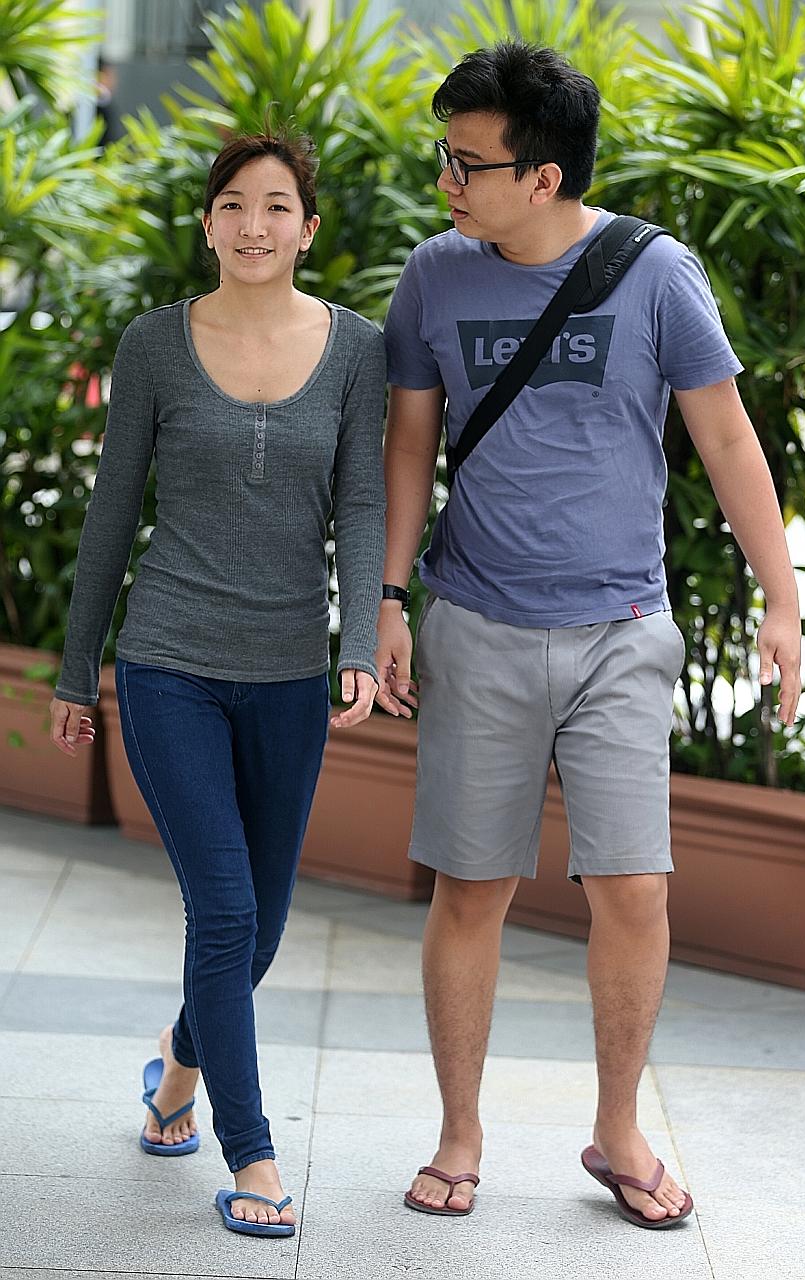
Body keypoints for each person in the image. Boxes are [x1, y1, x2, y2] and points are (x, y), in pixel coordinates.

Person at [377, 40, 802, 1229]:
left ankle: (616, 1130)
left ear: (546, 177)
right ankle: (461, 1131)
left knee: (635, 888)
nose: (448, 183)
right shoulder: (435, 276)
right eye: (445, 158)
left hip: (623, 627)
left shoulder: (657, 275)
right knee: (471, 886)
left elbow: (726, 440)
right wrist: (389, 597)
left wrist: (780, 598)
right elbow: (410, 442)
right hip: (477, 620)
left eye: (469, 165)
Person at [50, 127, 386, 1238]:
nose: (255, 224)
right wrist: (77, 661)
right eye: (235, 204)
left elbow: (360, 503)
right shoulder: (154, 343)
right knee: (228, 907)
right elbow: (110, 511)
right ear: (208, 223)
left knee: (265, 927)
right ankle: (254, 1154)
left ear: (309, 227)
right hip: (170, 661)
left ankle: (178, 1061)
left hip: (290, 668)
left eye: (278, 205)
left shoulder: (355, 349)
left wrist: (352, 643)